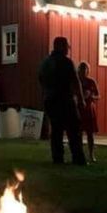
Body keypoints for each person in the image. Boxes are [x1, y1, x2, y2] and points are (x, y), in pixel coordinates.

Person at [38, 37, 86, 165]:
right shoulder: (66, 62)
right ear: (60, 46)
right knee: (74, 129)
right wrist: (81, 99)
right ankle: (78, 158)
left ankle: (58, 158)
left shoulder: (45, 63)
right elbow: (76, 82)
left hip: (50, 100)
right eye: (66, 47)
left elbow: (41, 80)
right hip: (65, 99)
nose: (67, 50)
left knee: (56, 130)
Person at [77, 61, 100, 163]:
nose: (84, 72)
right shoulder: (76, 81)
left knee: (90, 133)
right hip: (79, 108)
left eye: (85, 70)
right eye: (82, 70)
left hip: (89, 109)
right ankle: (79, 154)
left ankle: (91, 154)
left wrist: (91, 96)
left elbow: (98, 95)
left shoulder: (91, 82)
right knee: (78, 133)